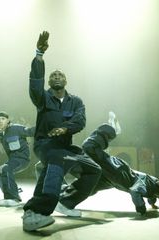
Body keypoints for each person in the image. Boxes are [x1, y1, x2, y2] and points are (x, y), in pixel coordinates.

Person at [22, 31, 101, 231]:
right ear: (49, 82)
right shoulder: (43, 98)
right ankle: (34, 212)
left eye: (60, 75)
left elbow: (80, 120)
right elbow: (35, 82)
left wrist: (65, 128)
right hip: (45, 145)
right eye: (53, 75)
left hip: (66, 147)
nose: (57, 77)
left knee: (94, 169)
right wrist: (39, 54)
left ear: (65, 80)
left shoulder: (76, 101)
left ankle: (66, 201)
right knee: (56, 159)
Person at [59, 112, 159, 215]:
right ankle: (111, 130)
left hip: (114, 180)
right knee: (90, 148)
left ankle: (62, 195)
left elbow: (152, 195)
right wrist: (141, 208)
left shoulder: (155, 186)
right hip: (117, 172)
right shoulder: (146, 186)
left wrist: (153, 204)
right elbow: (135, 191)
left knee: (90, 186)